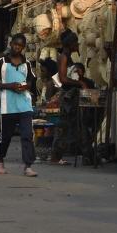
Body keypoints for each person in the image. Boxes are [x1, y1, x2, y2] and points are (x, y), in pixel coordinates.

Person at [0, 33, 38, 177]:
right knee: (6, 136)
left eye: (20, 46)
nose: (17, 48)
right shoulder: (2, 62)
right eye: (15, 45)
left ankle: (28, 166)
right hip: (8, 105)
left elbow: (31, 82)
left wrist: (25, 87)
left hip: (24, 104)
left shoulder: (27, 64)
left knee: (27, 135)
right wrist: (9, 86)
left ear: (23, 48)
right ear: (11, 44)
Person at [51, 30, 83, 164]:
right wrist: (80, 83)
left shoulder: (68, 56)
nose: (78, 44)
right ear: (70, 44)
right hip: (67, 96)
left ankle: (58, 155)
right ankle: (55, 156)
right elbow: (63, 79)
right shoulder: (64, 56)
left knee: (67, 125)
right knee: (63, 126)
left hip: (70, 95)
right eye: (76, 42)